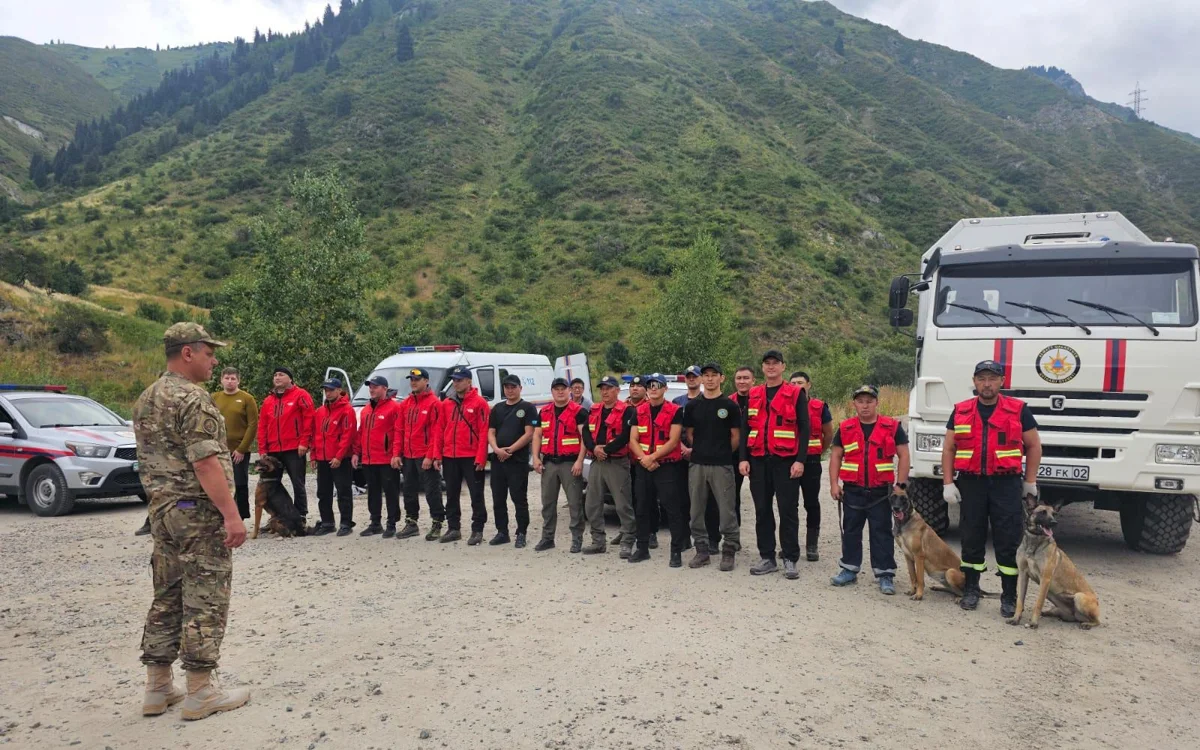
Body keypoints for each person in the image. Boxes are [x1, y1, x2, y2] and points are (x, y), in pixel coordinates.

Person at [132, 322, 249, 721]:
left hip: (163, 512)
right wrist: (232, 515)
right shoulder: (193, 399)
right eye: (208, 353)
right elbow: (205, 462)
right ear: (187, 353)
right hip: (197, 515)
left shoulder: (147, 397)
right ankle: (201, 691)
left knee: (167, 595)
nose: (213, 362)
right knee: (205, 597)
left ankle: (157, 687)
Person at [942, 360, 1043, 616]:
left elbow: (1033, 446)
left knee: (1008, 539)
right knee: (971, 537)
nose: (987, 384)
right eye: (982, 379)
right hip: (972, 483)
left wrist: (1030, 481)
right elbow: (949, 448)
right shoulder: (961, 411)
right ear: (974, 382)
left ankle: (1009, 595)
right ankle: (971, 589)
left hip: (1005, 483)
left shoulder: (1018, 410)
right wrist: (948, 482)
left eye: (992, 379)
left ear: (1002, 381)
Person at [828, 385, 910, 594]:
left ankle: (885, 574)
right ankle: (849, 569)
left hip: (880, 492)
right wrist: (834, 484)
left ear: (876, 403)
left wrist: (900, 485)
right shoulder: (845, 427)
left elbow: (904, 455)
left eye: (869, 401)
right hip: (852, 491)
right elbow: (836, 456)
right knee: (851, 531)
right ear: (854, 404)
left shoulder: (892, 426)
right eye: (860, 401)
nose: (865, 406)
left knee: (881, 533)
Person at [739, 350, 810, 579]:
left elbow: (805, 428)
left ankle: (790, 558)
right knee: (762, 510)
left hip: (786, 462)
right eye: (767, 363)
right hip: (758, 461)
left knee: (787, 510)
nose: (771, 367)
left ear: (783, 367)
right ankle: (767, 557)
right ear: (762, 367)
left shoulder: (795, 393)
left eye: (775, 363)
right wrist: (743, 458)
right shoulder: (754, 393)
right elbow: (745, 428)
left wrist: (800, 460)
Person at [683, 362, 742, 571]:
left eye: (714, 375)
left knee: (727, 512)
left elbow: (736, 437)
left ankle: (729, 552)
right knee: (696, 511)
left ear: (721, 378)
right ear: (701, 379)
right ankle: (702, 551)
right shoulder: (693, 406)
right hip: (697, 464)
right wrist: (702, 450)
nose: (709, 378)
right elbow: (689, 434)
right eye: (706, 375)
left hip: (722, 465)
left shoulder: (730, 406)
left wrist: (721, 452)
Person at [628, 373, 688, 566]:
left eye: (658, 385)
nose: (653, 388)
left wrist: (652, 458)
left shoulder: (675, 410)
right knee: (642, 508)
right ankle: (642, 548)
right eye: (650, 385)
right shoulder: (638, 411)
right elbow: (633, 440)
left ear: (665, 389)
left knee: (672, 509)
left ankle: (676, 551)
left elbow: (673, 440)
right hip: (644, 466)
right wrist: (644, 459)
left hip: (666, 467)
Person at [436, 366, 491, 545]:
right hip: (450, 456)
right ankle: (454, 528)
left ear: (468, 381)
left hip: (471, 456)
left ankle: (477, 529)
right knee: (452, 494)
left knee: (476, 494)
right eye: (454, 380)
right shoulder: (446, 404)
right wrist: (437, 455)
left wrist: (481, 457)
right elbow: (440, 430)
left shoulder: (480, 403)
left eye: (459, 380)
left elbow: (484, 432)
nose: (456, 383)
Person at [532, 378, 587, 552]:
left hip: (570, 464)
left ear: (569, 390)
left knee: (574, 504)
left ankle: (577, 539)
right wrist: (535, 458)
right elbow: (537, 435)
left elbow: (585, 438)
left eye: (563, 388)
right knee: (548, 503)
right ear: (552, 391)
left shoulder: (579, 411)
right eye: (557, 389)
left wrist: (579, 461)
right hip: (549, 463)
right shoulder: (544, 412)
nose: (560, 391)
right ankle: (547, 538)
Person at [583, 376, 634, 557]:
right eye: (602, 388)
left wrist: (605, 450)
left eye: (609, 388)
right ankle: (598, 541)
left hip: (617, 463)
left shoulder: (627, 410)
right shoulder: (594, 409)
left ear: (617, 390)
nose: (604, 392)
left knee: (622, 505)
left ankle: (627, 541)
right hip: (597, 461)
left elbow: (626, 435)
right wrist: (594, 449)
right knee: (592, 504)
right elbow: (586, 432)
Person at [256, 367, 315, 525]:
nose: (277, 377)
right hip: (273, 449)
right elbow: (262, 426)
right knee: (271, 484)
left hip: (294, 447)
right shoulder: (268, 401)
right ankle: (276, 516)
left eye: (281, 374)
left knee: (298, 482)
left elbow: (309, 419)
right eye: (275, 375)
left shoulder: (301, 395)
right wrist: (263, 449)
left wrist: (304, 442)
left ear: (290, 378)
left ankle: (300, 515)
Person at [487, 374, 539, 547]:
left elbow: (529, 433)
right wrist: (496, 449)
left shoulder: (528, 408)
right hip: (498, 460)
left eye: (513, 387)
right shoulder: (497, 408)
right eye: (507, 387)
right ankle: (502, 532)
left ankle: (521, 533)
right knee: (498, 499)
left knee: (519, 498)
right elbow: (491, 432)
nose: (510, 390)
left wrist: (510, 450)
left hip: (517, 461)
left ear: (520, 388)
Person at [395, 367, 446, 541]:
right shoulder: (406, 404)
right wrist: (396, 454)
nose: (413, 382)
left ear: (426, 381)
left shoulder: (434, 403)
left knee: (432, 491)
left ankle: (437, 523)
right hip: (408, 455)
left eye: (417, 379)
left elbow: (436, 433)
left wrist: (430, 456)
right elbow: (399, 431)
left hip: (424, 456)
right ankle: (411, 523)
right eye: (411, 379)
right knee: (408, 490)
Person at [790, 371, 834, 561]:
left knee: (811, 503)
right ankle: (790, 544)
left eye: (800, 382)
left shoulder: (819, 407)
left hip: (812, 461)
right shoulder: (784, 405)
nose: (796, 386)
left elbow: (828, 433)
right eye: (793, 383)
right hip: (789, 460)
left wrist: (819, 451)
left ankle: (812, 545)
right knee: (789, 505)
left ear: (809, 385)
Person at [353, 376, 402, 537]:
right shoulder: (366, 409)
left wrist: (396, 454)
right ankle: (375, 523)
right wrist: (356, 453)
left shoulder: (394, 408)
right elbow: (361, 433)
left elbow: (398, 433)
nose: (372, 389)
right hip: (369, 459)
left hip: (386, 459)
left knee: (391, 492)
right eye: (370, 387)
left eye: (375, 387)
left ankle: (391, 524)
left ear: (384, 388)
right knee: (373, 493)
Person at [311, 378, 356, 536]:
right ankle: (327, 522)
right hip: (322, 457)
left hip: (340, 459)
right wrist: (313, 456)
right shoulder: (320, 411)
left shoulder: (347, 410)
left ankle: (346, 523)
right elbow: (315, 435)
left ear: (339, 390)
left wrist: (339, 456)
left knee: (343, 491)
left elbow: (347, 436)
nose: (328, 393)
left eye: (331, 390)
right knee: (323, 492)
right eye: (326, 390)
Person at [211, 367, 257, 521]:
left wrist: (242, 449)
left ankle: (241, 517)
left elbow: (252, 425)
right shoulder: (214, 397)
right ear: (221, 380)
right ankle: (221, 516)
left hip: (239, 451)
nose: (230, 381)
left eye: (233, 379)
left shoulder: (247, 399)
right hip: (219, 450)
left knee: (240, 483)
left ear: (238, 381)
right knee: (220, 484)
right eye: (227, 378)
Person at [621, 375, 656, 550]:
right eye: (632, 386)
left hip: (643, 461)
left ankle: (651, 533)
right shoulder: (622, 407)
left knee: (648, 500)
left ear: (646, 389)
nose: (635, 388)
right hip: (623, 460)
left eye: (639, 386)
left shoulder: (650, 407)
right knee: (627, 498)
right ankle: (628, 530)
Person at [729, 366, 755, 522]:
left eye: (746, 378)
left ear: (753, 380)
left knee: (761, 495)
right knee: (732, 495)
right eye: (739, 378)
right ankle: (734, 530)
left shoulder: (760, 400)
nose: (742, 381)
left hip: (756, 453)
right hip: (733, 453)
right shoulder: (728, 402)